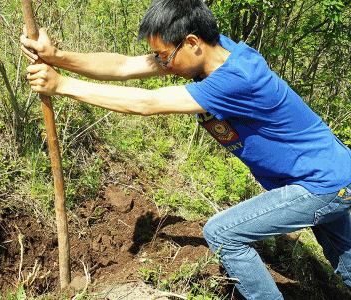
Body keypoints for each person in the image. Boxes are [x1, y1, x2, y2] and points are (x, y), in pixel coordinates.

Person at [20, 0, 351, 299]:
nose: (161, 62)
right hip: (333, 175)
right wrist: (58, 58)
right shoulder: (213, 52)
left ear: (192, 43)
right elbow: (123, 66)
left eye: (165, 56)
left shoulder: (237, 78)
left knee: (223, 233)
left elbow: (148, 103)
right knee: (346, 261)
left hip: (321, 184)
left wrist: (62, 85)